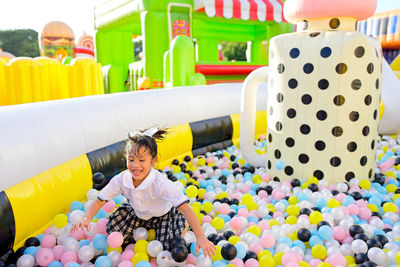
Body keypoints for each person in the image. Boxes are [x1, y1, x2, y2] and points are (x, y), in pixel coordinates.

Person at [72, 127, 216, 258]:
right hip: (138, 214)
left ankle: (182, 225)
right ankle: (146, 226)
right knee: (113, 229)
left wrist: (201, 237)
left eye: (141, 160)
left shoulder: (160, 183)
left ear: (154, 161)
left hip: (163, 216)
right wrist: (86, 217)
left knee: (168, 248)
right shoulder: (122, 179)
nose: (135, 165)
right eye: (131, 159)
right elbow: (101, 199)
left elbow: (185, 208)